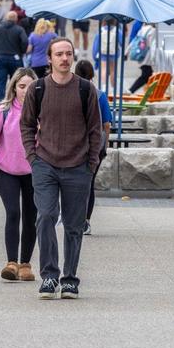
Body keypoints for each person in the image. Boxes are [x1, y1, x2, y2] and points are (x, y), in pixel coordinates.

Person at [20, 37, 102, 300]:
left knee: (74, 225)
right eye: (59, 54)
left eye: (68, 54)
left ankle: (69, 279)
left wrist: (91, 164)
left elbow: (95, 130)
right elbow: (27, 125)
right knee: (45, 217)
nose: (65, 59)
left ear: (73, 57)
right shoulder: (38, 88)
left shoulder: (86, 89)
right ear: (50, 59)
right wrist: (32, 157)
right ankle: (49, 276)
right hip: (45, 164)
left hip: (78, 166)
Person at [0, 68, 38, 282]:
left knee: (31, 218)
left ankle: (25, 264)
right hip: (7, 172)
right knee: (13, 213)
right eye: (21, 86)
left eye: (30, 86)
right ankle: (11, 262)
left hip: (34, 173)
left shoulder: (42, 112)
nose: (25, 91)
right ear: (14, 87)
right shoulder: (3, 112)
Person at [75, 60, 112, 236]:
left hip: (74, 145)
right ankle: (85, 221)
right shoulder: (100, 95)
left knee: (74, 183)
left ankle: (75, 218)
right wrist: (106, 144)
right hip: (96, 146)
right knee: (89, 183)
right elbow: (107, 124)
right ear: (92, 75)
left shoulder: (71, 93)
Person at [0, 11, 27, 102]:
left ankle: (1, 101)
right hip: (15, 58)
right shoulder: (19, 29)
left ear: (6, 18)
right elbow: (25, 41)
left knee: (0, 81)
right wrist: (22, 52)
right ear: (16, 19)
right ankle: (15, 100)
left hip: (0, 57)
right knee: (16, 81)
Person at [94, 17, 122, 91]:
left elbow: (96, 45)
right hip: (113, 53)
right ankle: (113, 88)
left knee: (103, 69)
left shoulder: (101, 30)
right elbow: (121, 42)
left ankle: (104, 87)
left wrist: (95, 56)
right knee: (113, 70)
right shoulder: (117, 30)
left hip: (103, 53)